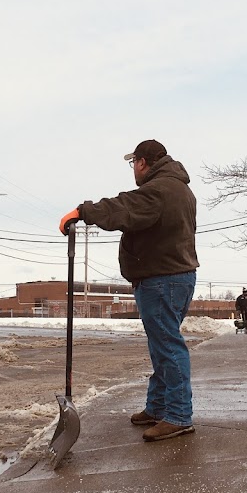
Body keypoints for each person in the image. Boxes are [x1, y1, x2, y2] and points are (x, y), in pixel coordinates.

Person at [60, 139, 199, 442]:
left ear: (142, 162)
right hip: (174, 277)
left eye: (133, 163)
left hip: (163, 279)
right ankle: (160, 406)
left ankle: (177, 414)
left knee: (168, 346)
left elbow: (122, 207)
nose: (133, 169)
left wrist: (82, 212)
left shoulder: (159, 190)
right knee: (161, 345)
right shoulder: (179, 188)